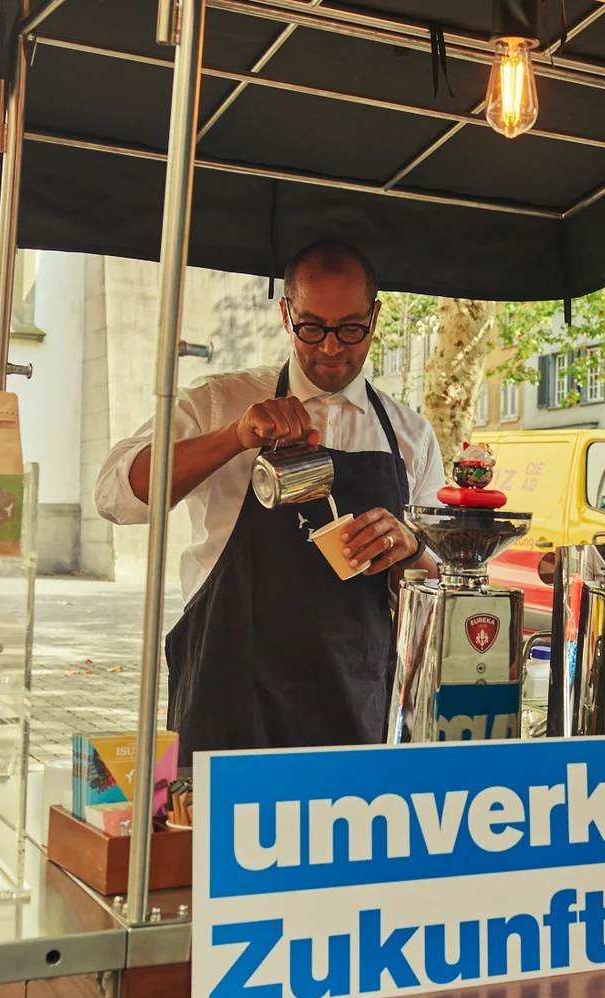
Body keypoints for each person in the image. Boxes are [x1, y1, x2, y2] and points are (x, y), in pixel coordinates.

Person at [95, 240, 442, 755]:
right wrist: (233, 437)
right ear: (286, 314)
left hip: (355, 700)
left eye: (350, 328)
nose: (330, 348)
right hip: (226, 692)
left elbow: (439, 589)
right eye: (311, 328)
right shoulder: (219, 401)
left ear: (375, 316)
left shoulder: (409, 435)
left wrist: (410, 551)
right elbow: (116, 494)